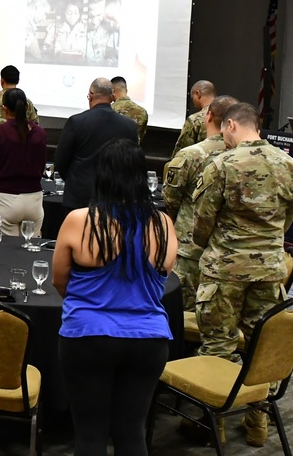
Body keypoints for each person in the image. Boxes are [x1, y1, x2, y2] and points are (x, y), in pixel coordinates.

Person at [52, 139, 177, 456]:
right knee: (132, 433)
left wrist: (86, 303)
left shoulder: (80, 220)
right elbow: (163, 274)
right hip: (148, 340)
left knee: (90, 435)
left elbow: (59, 279)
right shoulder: (162, 224)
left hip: (88, 337)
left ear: (101, 174)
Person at [192, 103, 293, 357]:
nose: (224, 140)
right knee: (263, 342)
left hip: (225, 268)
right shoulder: (289, 164)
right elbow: (290, 214)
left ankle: (216, 395)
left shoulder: (223, 164)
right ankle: (261, 394)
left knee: (218, 343)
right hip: (270, 268)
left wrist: (211, 244)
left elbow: (202, 220)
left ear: (231, 125)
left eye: (224, 133)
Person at [161, 94, 236, 310]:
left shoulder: (190, 155)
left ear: (209, 116)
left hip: (189, 248)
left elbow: (171, 199)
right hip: (227, 248)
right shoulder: (243, 157)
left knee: (182, 310)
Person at [54, 78, 138, 212]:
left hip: (80, 196)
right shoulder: (130, 126)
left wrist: (75, 179)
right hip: (115, 196)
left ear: (91, 95)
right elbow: (132, 163)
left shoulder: (76, 122)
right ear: (112, 97)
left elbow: (60, 161)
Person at [0, 87, 48, 236]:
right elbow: (41, 165)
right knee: (31, 250)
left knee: (5, 252)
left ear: (4, 108)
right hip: (34, 198)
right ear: (27, 107)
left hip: (5, 198)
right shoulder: (40, 133)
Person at [172, 80, 216, 157]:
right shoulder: (230, 114)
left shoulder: (195, 120)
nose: (193, 102)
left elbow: (181, 151)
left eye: (193, 98)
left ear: (198, 94)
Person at [110, 76, 148, 144]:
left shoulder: (109, 110)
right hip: (133, 152)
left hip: (112, 152)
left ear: (112, 91)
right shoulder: (142, 112)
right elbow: (140, 137)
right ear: (126, 90)